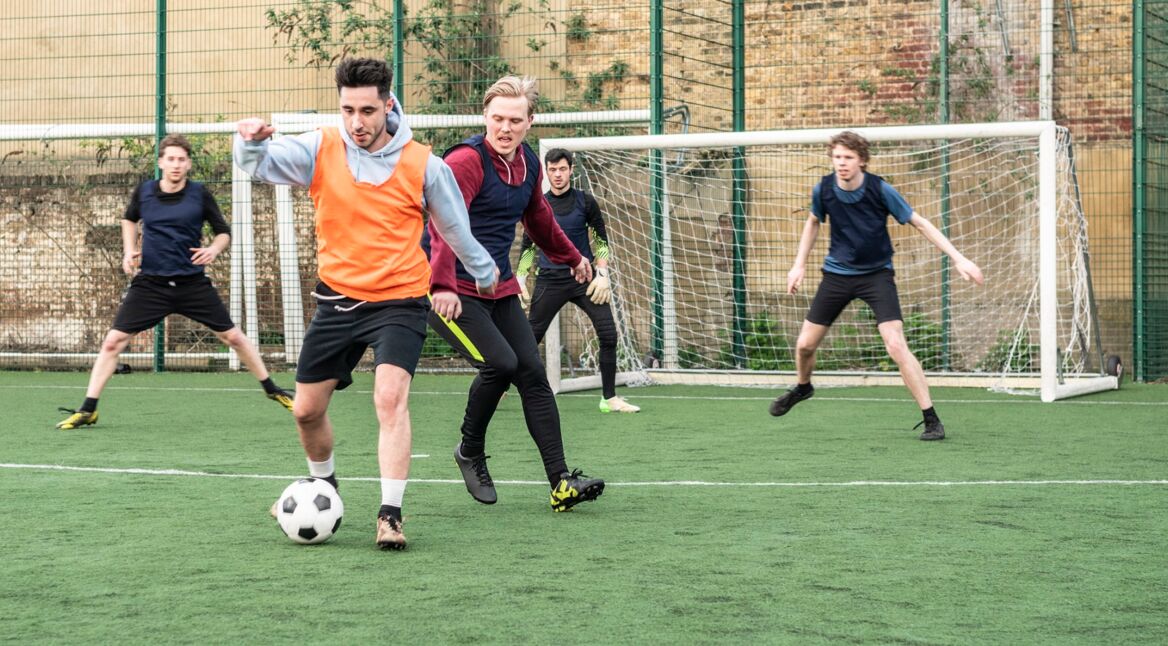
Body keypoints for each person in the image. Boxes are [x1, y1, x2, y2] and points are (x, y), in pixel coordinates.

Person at [234, 58, 497, 550]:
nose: (357, 122)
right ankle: (324, 487)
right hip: (336, 300)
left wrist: (485, 274)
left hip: (399, 301)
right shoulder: (320, 146)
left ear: (388, 105)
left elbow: (455, 229)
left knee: (389, 399)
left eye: (368, 110)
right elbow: (258, 165)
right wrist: (249, 140)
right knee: (306, 412)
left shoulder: (424, 164)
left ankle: (390, 515)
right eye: (348, 109)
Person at [424, 76, 605, 512]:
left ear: (530, 122)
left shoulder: (527, 162)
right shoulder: (467, 161)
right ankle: (469, 450)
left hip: (498, 286)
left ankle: (561, 482)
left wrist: (574, 258)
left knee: (532, 375)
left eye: (515, 120)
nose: (505, 128)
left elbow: (539, 219)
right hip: (451, 287)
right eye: (498, 118)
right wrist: (443, 283)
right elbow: (443, 222)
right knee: (499, 364)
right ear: (485, 117)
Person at [55, 134, 294, 430]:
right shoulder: (144, 192)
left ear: (188, 163)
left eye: (181, 159)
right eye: (170, 159)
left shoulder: (199, 194)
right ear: (161, 163)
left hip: (192, 285)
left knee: (233, 337)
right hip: (151, 285)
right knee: (113, 341)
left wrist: (214, 249)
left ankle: (273, 390)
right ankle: (88, 409)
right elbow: (129, 219)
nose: (176, 165)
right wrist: (129, 250)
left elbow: (223, 231)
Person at [771, 131, 985, 441]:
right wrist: (798, 264)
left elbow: (920, 223)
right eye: (837, 158)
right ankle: (803, 388)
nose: (841, 163)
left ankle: (931, 419)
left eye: (848, 158)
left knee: (896, 344)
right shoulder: (824, 190)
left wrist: (959, 258)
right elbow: (813, 221)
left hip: (876, 276)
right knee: (804, 345)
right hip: (837, 276)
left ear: (861, 161)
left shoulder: (880, 189)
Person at [515, 147, 639, 414]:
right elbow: (528, 246)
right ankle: (500, 387)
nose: (557, 174)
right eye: (552, 170)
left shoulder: (586, 202)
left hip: (585, 280)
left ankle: (609, 398)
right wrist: (520, 278)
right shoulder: (538, 205)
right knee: (527, 339)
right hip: (549, 281)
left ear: (571, 170)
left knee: (608, 334)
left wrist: (603, 273)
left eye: (562, 169)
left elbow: (601, 241)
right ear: (546, 173)